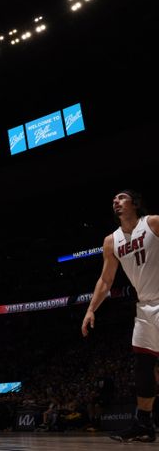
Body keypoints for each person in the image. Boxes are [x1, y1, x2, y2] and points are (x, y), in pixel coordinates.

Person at [82, 189, 159, 442]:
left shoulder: (153, 223)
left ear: (134, 203)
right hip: (144, 306)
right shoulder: (111, 240)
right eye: (113, 199)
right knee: (143, 366)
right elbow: (106, 280)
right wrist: (91, 309)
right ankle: (145, 425)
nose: (116, 201)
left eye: (121, 197)